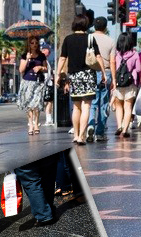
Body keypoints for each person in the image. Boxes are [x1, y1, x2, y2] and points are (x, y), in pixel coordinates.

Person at [58, 15, 106, 145]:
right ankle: (81, 137)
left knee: (76, 106)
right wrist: (103, 72)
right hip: (88, 75)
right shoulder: (90, 38)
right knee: (86, 106)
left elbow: (62, 58)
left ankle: (75, 135)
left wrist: (58, 74)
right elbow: (98, 57)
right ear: (86, 24)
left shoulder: (68, 39)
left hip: (74, 76)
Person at [86, 16, 115, 142]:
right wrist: (114, 79)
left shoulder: (88, 38)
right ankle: (100, 132)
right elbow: (112, 61)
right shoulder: (111, 41)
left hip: (91, 71)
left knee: (92, 102)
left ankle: (90, 125)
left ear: (94, 26)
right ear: (106, 27)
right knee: (104, 104)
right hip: (106, 73)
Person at [110, 32, 141, 137]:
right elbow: (138, 69)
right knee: (128, 107)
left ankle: (119, 126)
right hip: (130, 83)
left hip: (118, 83)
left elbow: (113, 66)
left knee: (119, 106)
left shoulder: (116, 54)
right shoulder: (135, 54)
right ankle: (124, 130)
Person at [18, 36, 48, 135]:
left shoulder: (41, 55)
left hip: (39, 82)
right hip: (27, 81)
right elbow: (21, 70)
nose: (34, 44)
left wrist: (40, 67)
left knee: (37, 104)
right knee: (29, 104)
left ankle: (36, 123)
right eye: (32, 43)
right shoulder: (24, 55)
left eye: (36, 42)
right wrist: (27, 59)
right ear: (29, 44)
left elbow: (46, 69)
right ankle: (30, 124)